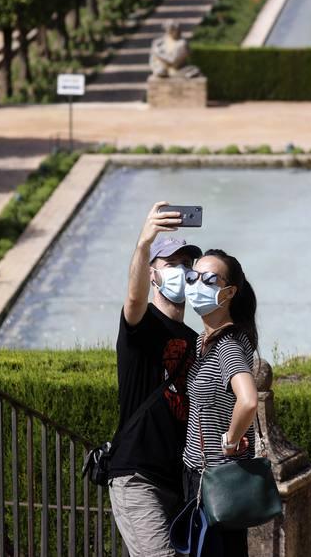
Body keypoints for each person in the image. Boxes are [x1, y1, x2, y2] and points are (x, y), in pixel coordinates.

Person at [108, 201, 201, 557]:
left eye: (187, 266)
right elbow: (133, 297)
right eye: (172, 265)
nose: (182, 272)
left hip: (179, 484)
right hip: (137, 477)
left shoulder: (195, 340)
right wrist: (144, 243)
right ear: (153, 274)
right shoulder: (141, 323)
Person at [182, 248, 259, 557]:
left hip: (215, 479)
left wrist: (231, 439)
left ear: (229, 292)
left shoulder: (226, 345)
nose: (197, 284)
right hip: (204, 475)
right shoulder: (203, 340)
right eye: (192, 277)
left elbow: (249, 400)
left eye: (209, 279)